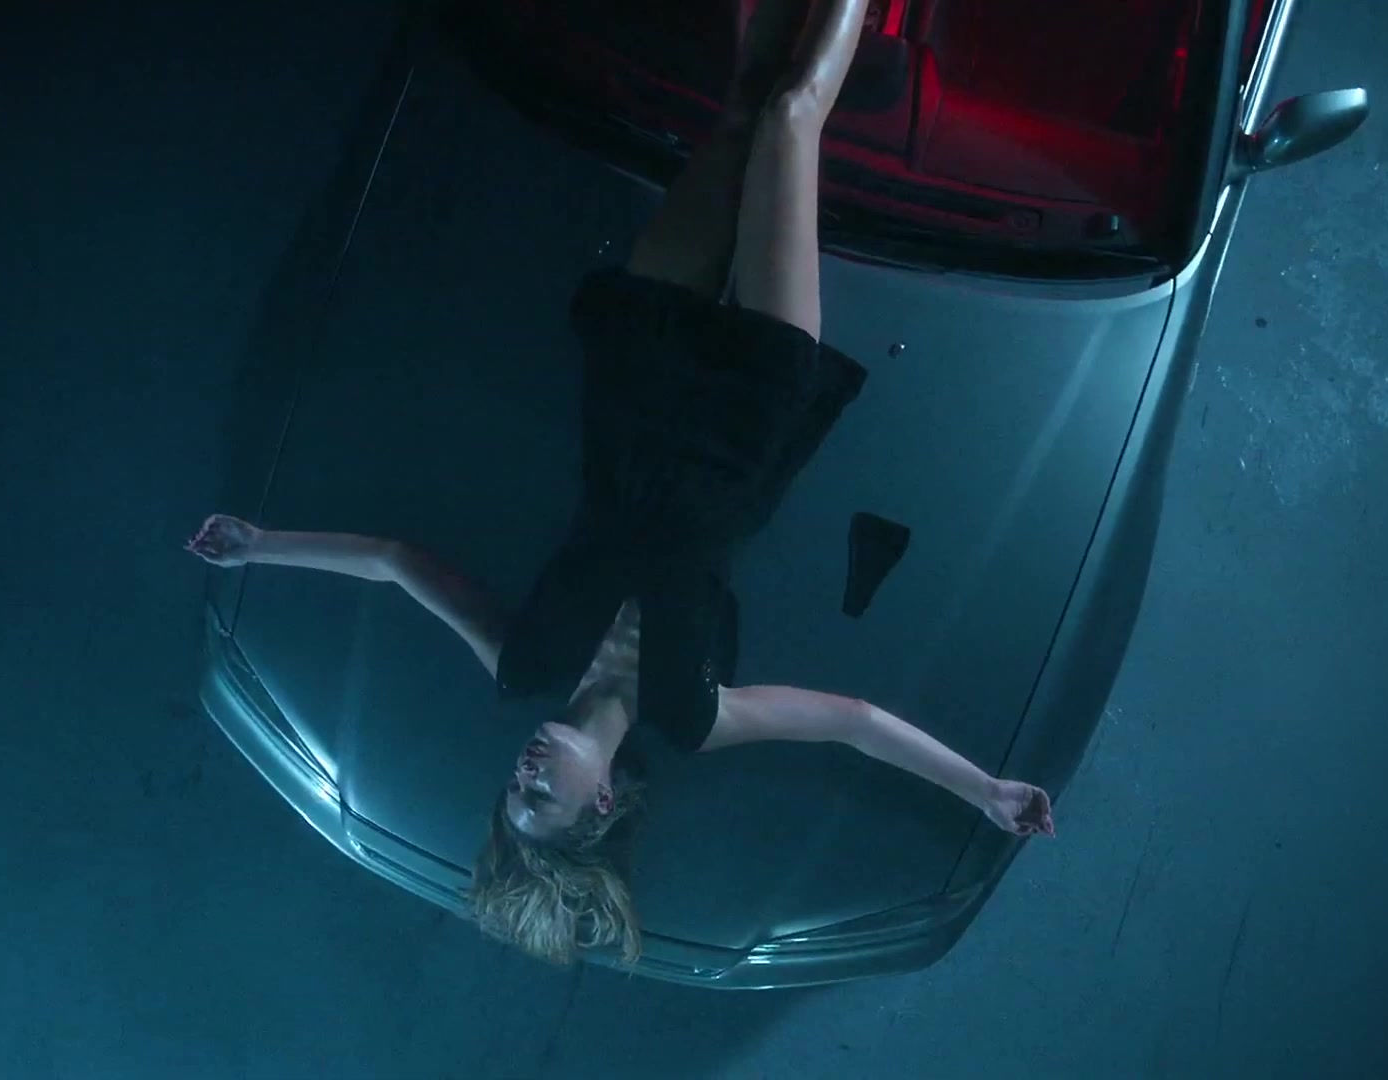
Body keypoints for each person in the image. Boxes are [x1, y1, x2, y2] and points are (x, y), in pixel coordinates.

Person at [185, 0, 1055, 969]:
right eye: (542, 797)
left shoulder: (523, 660)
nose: (522, 776)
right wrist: (984, 789)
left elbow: (394, 562)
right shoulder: (694, 716)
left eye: (511, 792)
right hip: (750, 409)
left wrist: (260, 545)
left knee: (742, 110)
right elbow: (852, 726)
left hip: (637, 380)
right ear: (600, 799)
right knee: (792, 116)